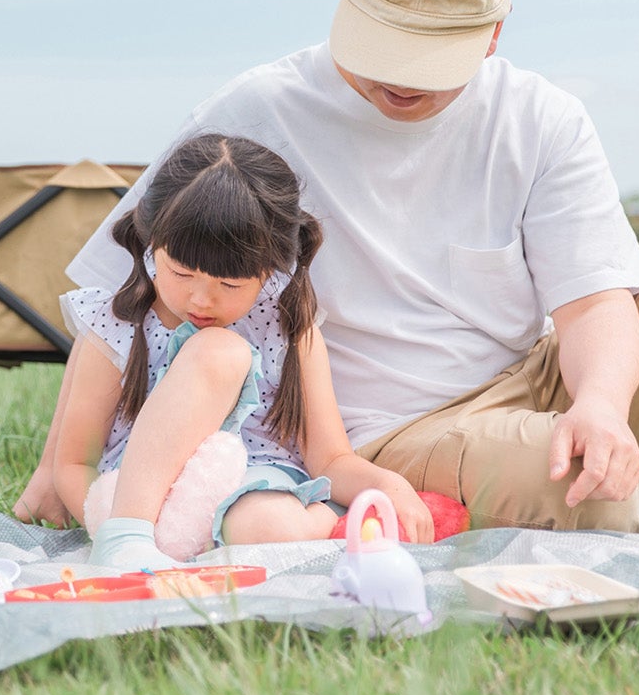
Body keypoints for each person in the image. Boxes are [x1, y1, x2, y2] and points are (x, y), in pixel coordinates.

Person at [18, 0, 639, 535]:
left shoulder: (540, 119)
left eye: (428, 55)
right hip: (385, 431)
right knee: (574, 491)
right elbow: (119, 292)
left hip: (533, 377)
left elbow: (593, 302)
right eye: (384, 47)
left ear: (492, 32)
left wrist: (598, 406)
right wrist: (64, 462)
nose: (400, 81)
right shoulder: (257, 110)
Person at [55, 134, 434, 571]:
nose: (200, 299)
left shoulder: (286, 322)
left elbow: (329, 458)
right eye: (181, 272)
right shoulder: (117, 323)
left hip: (255, 484)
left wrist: (389, 485)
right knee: (216, 353)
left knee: (266, 527)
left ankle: (338, 525)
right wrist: (109, 525)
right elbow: (73, 461)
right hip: (141, 500)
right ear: (151, 241)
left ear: (272, 268)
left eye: (229, 285)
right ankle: (128, 538)